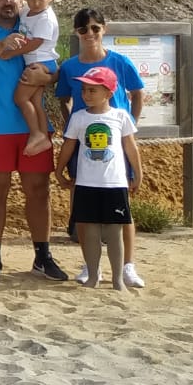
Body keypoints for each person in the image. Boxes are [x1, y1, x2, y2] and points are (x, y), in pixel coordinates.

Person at [0, 0, 68, 283]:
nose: (7, 1)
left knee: (38, 192)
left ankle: (42, 256)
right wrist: (2, 44)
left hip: (32, 127)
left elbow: (53, 66)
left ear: (22, 0)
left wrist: (48, 78)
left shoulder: (35, 22)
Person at [52, 7, 148, 287]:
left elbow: (138, 93)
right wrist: (74, 128)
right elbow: (63, 98)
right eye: (83, 29)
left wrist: (131, 123)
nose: (90, 34)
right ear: (76, 33)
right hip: (84, 141)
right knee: (84, 211)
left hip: (116, 143)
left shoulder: (119, 61)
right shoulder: (70, 66)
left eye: (95, 28)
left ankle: (128, 265)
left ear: (104, 29)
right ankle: (90, 265)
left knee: (122, 208)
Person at [58, 66, 143, 292]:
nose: (86, 94)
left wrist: (138, 172)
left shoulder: (120, 116)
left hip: (114, 184)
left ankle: (117, 278)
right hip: (86, 183)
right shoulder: (78, 117)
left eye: (93, 90)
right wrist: (59, 170)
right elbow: (68, 145)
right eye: (84, 89)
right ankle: (93, 275)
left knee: (114, 232)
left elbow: (130, 147)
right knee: (91, 231)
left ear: (108, 93)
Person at [15, 0, 61, 157]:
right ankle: (43, 137)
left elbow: (35, 43)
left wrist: (10, 53)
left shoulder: (46, 18)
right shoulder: (26, 10)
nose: (36, 2)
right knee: (35, 101)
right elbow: (17, 11)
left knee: (20, 99)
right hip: (36, 61)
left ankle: (36, 133)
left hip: (41, 63)